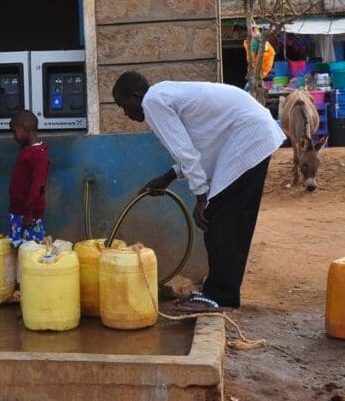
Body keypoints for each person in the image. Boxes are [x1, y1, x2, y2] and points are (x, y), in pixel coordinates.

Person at [112, 72, 285, 312]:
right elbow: (198, 149)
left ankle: (219, 295)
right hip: (253, 132)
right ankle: (222, 292)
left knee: (219, 216)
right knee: (230, 219)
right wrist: (167, 178)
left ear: (135, 96)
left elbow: (186, 152)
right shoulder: (163, 94)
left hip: (249, 134)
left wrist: (201, 197)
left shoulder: (152, 102)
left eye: (123, 106)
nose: (126, 115)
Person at [8, 110, 50, 248]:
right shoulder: (27, 152)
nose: (13, 137)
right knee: (19, 250)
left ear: (26, 128)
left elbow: (38, 187)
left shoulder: (39, 156)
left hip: (28, 215)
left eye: (15, 132)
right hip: (18, 212)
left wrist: (29, 212)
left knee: (31, 250)